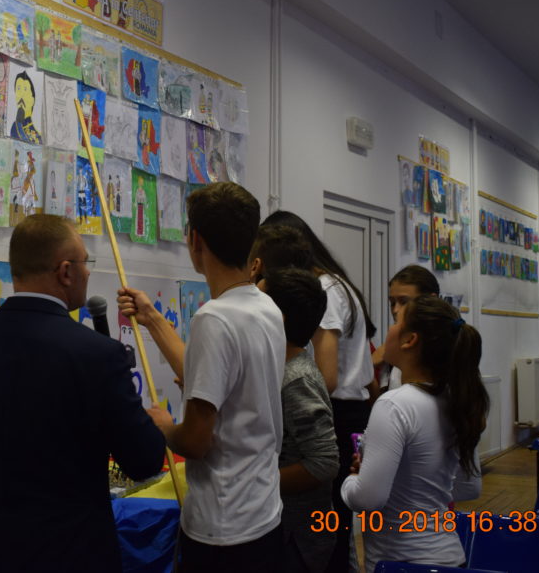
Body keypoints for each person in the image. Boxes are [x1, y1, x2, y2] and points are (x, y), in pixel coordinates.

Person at [0, 214, 165, 572]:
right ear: (65, 271)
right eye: (85, 262)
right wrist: (156, 424)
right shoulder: (99, 355)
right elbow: (143, 462)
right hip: (72, 557)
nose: (88, 272)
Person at [118, 182, 286, 572]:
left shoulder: (214, 319)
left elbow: (195, 441)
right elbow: (208, 375)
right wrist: (153, 318)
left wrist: (164, 425)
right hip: (262, 513)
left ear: (195, 240)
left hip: (223, 528)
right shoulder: (266, 307)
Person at [260, 210, 376, 573]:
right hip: (348, 410)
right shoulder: (337, 283)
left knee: (328, 527)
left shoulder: (323, 288)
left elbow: (326, 378)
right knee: (336, 525)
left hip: (334, 412)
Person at [340, 296, 487, 573]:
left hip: (402, 563)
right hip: (451, 558)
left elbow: (368, 499)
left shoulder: (394, 405)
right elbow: (468, 486)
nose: (390, 327)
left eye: (396, 321)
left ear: (410, 340)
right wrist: (402, 480)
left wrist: (352, 480)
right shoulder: (456, 400)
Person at [258, 266, 339, 573]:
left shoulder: (296, 378)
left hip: (297, 538)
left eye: (258, 302)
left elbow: (324, 462)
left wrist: (257, 482)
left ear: (277, 318)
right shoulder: (278, 367)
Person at [370, 265, 440, 390]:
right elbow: (384, 398)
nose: (395, 310)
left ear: (431, 300)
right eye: (392, 303)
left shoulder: (444, 348)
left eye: (404, 302)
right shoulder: (392, 351)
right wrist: (369, 368)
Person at [9, 71, 43, 144]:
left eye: (25, 89)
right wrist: (18, 123)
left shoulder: (38, 129)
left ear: (33, 99)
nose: (21, 96)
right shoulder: (15, 127)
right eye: (18, 89)